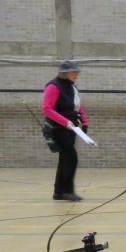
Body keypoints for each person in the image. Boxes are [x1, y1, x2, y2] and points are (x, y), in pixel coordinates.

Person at [42, 59, 88, 201]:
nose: (77, 74)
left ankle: (58, 192)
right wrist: (65, 122)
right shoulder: (53, 86)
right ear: (65, 73)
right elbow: (47, 108)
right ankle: (68, 191)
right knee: (71, 157)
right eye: (74, 72)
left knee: (64, 159)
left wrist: (84, 122)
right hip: (58, 128)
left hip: (71, 128)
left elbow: (78, 106)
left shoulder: (72, 86)